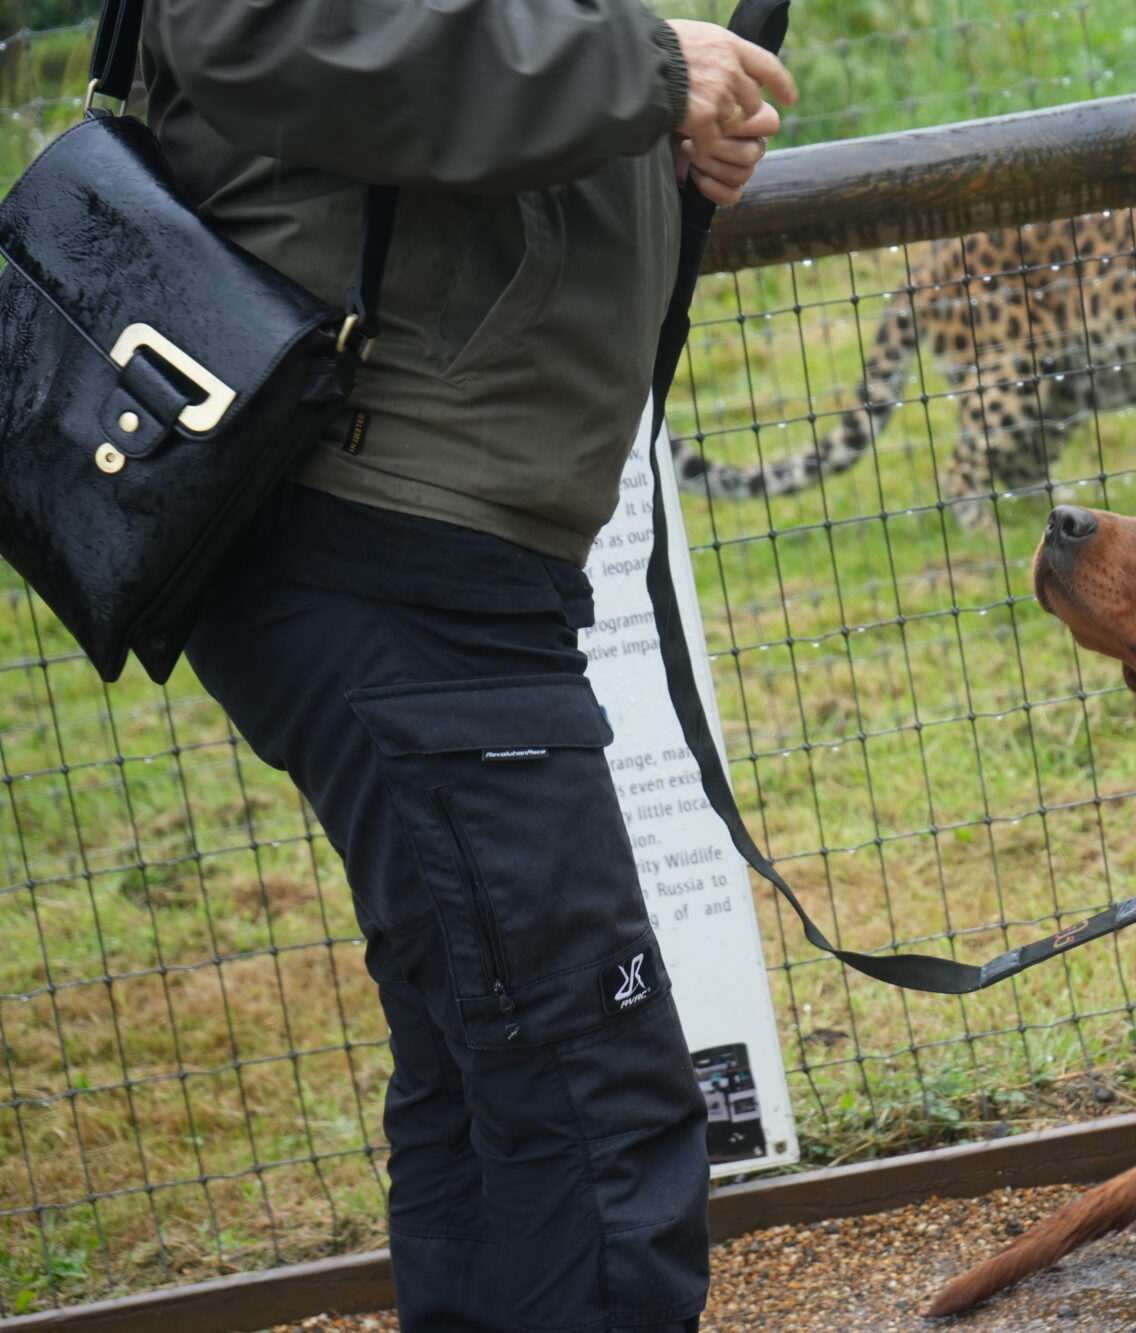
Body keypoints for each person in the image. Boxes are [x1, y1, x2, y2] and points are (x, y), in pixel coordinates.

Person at [140, 4, 797, 1330]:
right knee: (590, 1096)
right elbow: (262, 29)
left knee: (491, 1076)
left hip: (432, 537)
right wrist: (644, 72)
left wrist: (641, 143)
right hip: (386, 533)